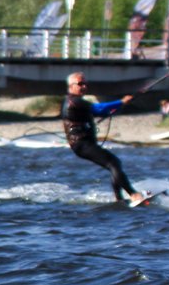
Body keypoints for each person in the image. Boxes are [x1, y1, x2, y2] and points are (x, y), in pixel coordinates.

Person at [61, 72, 145, 203]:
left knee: (114, 163)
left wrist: (120, 104)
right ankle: (133, 194)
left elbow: (101, 111)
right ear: (71, 86)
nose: (84, 86)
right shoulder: (75, 101)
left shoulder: (77, 102)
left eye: (85, 84)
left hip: (85, 143)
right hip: (82, 144)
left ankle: (119, 198)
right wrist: (121, 101)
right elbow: (98, 109)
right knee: (113, 163)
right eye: (80, 84)